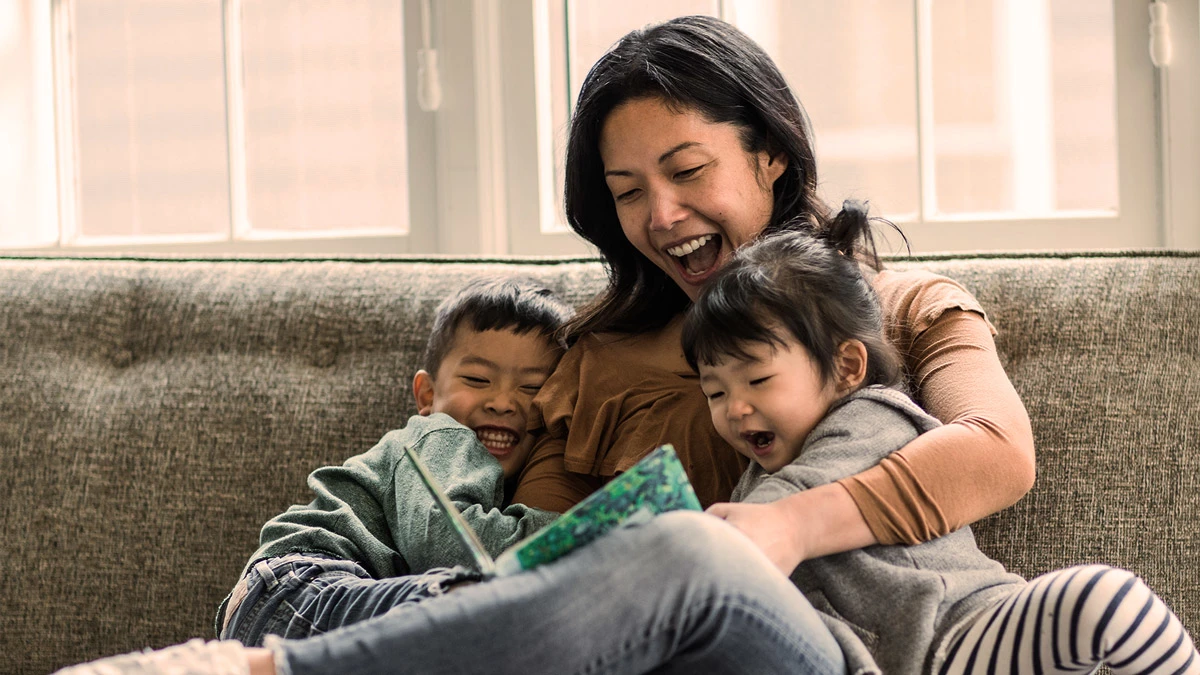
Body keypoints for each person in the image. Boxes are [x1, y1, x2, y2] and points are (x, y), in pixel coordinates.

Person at [56, 14, 1042, 675]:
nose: (662, 215)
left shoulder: (903, 305)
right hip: (623, 647)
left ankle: (266, 665)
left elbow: (1000, 452)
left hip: (804, 644)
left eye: (688, 169)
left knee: (690, 557)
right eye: (625, 194)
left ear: (772, 154)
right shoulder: (590, 356)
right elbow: (529, 566)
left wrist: (785, 528)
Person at [681, 227, 1199, 675]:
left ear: (846, 368)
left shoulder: (870, 419)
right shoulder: (751, 482)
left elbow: (793, 496)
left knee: (1104, 601)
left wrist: (694, 540)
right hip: (882, 663)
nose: (736, 409)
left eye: (758, 379)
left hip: (964, 636)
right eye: (716, 392)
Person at [212, 276, 571, 646]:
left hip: (288, 605)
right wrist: (576, 528)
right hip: (302, 587)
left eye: (531, 387)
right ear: (428, 396)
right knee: (465, 603)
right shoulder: (439, 435)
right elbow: (445, 544)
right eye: (478, 379)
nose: (502, 401)